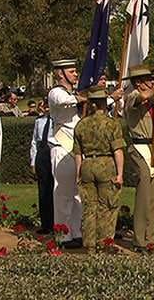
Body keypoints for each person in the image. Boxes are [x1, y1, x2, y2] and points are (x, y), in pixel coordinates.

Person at [73, 86, 126, 252]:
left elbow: (77, 153)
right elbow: (118, 150)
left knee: (89, 207)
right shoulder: (112, 124)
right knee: (108, 206)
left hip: (88, 166)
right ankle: (105, 243)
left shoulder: (81, 125)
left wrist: (78, 174)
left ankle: (89, 244)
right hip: (106, 164)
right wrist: (120, 174)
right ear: (104, 103)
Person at [123, 65, 154, 250]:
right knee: (144, 194)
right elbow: (140, 99)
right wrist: (152, 91)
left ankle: (151, 235)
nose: (152, 82)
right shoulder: (132, 95)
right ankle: (139, 238)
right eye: (148, 79)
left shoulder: (152, 99)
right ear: (139, 82)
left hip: (152, 147)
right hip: (139, 146)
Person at [47, 58, 87, 248]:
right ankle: (63, 234)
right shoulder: (56, 92)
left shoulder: (76, 92)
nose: (75, 74)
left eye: (75, 71)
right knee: (63, 194)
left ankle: (76, 231)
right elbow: (64, 101)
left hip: (76, 146)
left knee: (77, 194)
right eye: (71, 71)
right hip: (61, 145)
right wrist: (83, 98)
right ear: (60, 74)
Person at [30, 98, 54, 234]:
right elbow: (34, 142)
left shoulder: (57, 121)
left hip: (53, 152)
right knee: (43, 190)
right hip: (42, 155)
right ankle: (46, 224)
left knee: (55, 189)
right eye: (45, 106)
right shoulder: (39, 121)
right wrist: (33, 161)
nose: (46, 109)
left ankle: (57, 222)